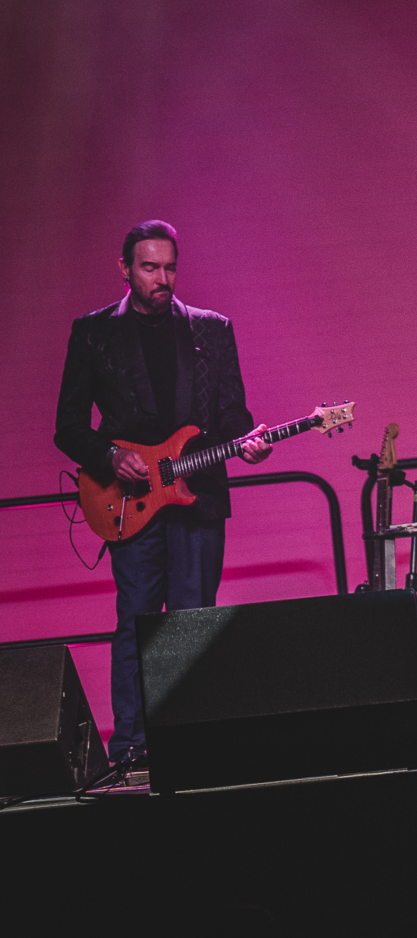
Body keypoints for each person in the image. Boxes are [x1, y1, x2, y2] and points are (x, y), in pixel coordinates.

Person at [54, 220, 272, 767]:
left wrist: (247, 443)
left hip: (198, 496)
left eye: (170, 267)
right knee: (137, 620)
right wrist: (108, 456)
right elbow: (67, 425)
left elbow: (232, 415)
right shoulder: (94, 332)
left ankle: (194, 739)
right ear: (124, 268)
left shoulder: (212, 329)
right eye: (150, 267)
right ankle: (130, 744)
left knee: (194, 620)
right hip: (129, 501)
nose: (163, 278)